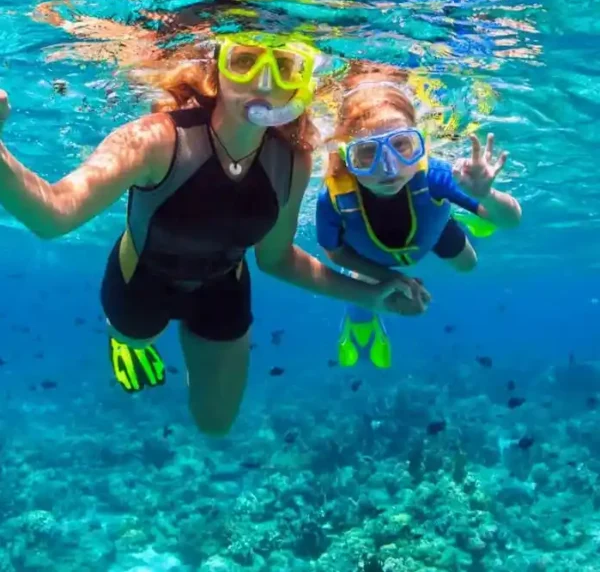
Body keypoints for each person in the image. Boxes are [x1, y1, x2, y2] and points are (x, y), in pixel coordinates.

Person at [0, 34, 423, 437]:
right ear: (216, 70)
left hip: (223, 289)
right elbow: (54, 215)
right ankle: (126, 341)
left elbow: (276, 258)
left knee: (216, 424)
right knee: (135, 336)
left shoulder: (294, 160)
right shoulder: (155, 139)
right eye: (244, 62)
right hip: (140, 284)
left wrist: (371, 295)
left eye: (283, 67)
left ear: (300, 83)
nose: (263, 82)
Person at [316, 69, 522, 370]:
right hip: (370, 256)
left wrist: (487, 196)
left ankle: (464, 211)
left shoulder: (435, 175)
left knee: (468, 265)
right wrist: (390, 277)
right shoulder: (334, 198)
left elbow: (511, 220)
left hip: (433, 230)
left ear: (420, 143)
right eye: (367, 152)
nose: (388, 168)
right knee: (364, 288)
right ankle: (360, 323)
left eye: (401, 145)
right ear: (347, 156)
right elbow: (334, 253)